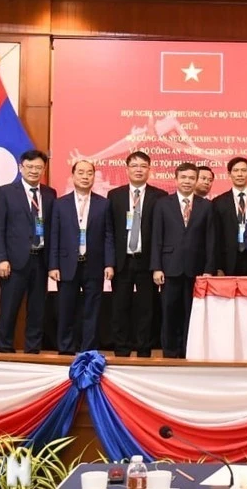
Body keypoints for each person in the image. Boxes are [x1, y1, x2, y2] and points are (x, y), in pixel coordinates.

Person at [0, 149, 56, 354]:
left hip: (41, 259)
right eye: (30, 167)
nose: (34, 171)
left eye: (38, 167)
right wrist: (0, 258)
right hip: (13, 261)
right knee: (9, 308)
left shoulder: (49, 193)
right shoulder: (5, 192)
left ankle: (33, 350)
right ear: (21, 168)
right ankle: (4, 348)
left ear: (44, 169)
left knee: (37, 309)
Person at [150, 163, 217, 358]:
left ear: (196, 180)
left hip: (196, 269)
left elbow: (210, 240)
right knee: (170, 312)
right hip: (169, 268)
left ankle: (189, 351)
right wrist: (156, 267)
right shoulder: (163, 204)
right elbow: (156, 237)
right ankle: (170, 352)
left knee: (192, 314)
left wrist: (209, 269)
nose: (187, 181)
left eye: (191, 178)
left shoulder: (206, 206)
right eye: (183, 177)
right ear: (176, 179)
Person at [49, 160, 114, 354]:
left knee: (91, 310)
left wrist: (109, 264)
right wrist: (53, 265)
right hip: (67, 263)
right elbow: (54, 235)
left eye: (89, 173)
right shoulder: (60, 204)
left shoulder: (104, 204)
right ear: (73, 175)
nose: (85, 177)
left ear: (94, 177)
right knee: (66, 309)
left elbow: (108, 235)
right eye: (81, 173)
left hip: (94, 263)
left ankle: (88, 350)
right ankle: (65, 348)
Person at [107, 151, 167, 358]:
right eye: (135, 166)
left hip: (147, 261)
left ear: (150, 170)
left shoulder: (160, 196)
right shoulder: (114, 195)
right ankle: (121, 349)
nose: (139, 169)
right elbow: (110, 231)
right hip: (122, 261)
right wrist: (110, 262)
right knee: (119, 307)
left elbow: (161, 233)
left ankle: (144, 350)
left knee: (146, 309)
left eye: (143, 166)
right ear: (127, 169)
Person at [213, 157, 247, 276]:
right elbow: (215, 237)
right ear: (229, 174)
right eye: (236, 170)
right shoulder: (218, 202)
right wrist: (218, 267)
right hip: (228, 260)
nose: (240, 174)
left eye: (243, 170)